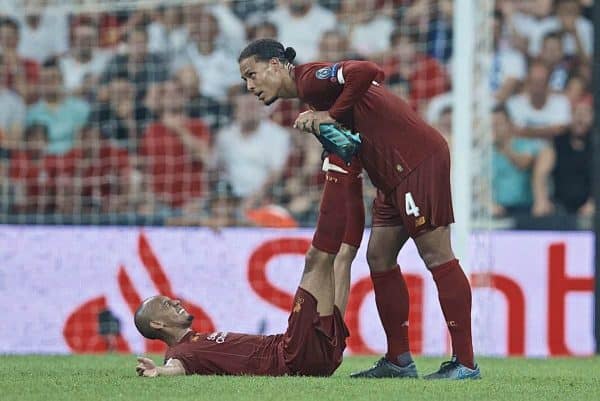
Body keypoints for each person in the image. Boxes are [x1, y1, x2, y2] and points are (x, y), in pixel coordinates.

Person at [238, 38, 479, 380]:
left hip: (416, 161)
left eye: (252, 74)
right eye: (245, 80)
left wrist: (329, 116)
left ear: (276, 65)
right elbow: (351, 132)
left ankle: (466, 363)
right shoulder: (310, 95)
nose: (249, 86)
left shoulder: (310, 78)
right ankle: (398, 360)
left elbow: (368, 70)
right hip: (389, 174)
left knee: (437, 255)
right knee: (379, 257)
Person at [133, 161, 363, 376]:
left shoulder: (195, 341)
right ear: (157, 324)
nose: (175, 302)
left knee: (344, 256)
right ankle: (337, 164)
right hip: (291, 354)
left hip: (318, 358)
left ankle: (353, 173)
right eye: (165, 304)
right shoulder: (180, 354)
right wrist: (158, 371)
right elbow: (174, 367)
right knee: (316, 259)